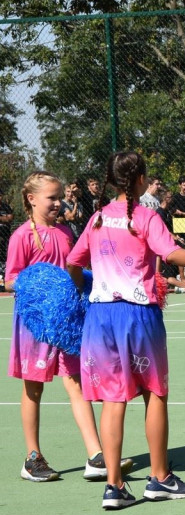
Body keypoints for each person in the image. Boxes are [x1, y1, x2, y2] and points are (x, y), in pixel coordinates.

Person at [66, 150, 185, 509]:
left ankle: (113, 486)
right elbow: (171, 254)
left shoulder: (97, 218)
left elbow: (73, 261)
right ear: (141, 179)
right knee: (154, 393)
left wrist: (82, 288)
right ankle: (159, 478)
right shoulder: (144, 215)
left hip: (99, 318)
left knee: (114, 399)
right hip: (137, 314)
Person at [8, 171, 132, 483]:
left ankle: (95, 455)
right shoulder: (22, 235)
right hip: (34, 323)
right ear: (31, 199)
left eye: (60, 196)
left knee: (77, 383)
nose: (58, 202)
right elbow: (11, 279)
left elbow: (76, 269)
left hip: (67, 321)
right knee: (33, 387)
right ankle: (32, 457)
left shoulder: (65, 231)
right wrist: (40, 287)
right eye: (51, 197)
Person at [0, 190, 12, 290]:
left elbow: (9, 218)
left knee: (5, 260)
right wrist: (3, 218)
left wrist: (5, 218)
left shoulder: (5, 206)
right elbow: (6, 218)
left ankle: (3, 282)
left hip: (5, 238)